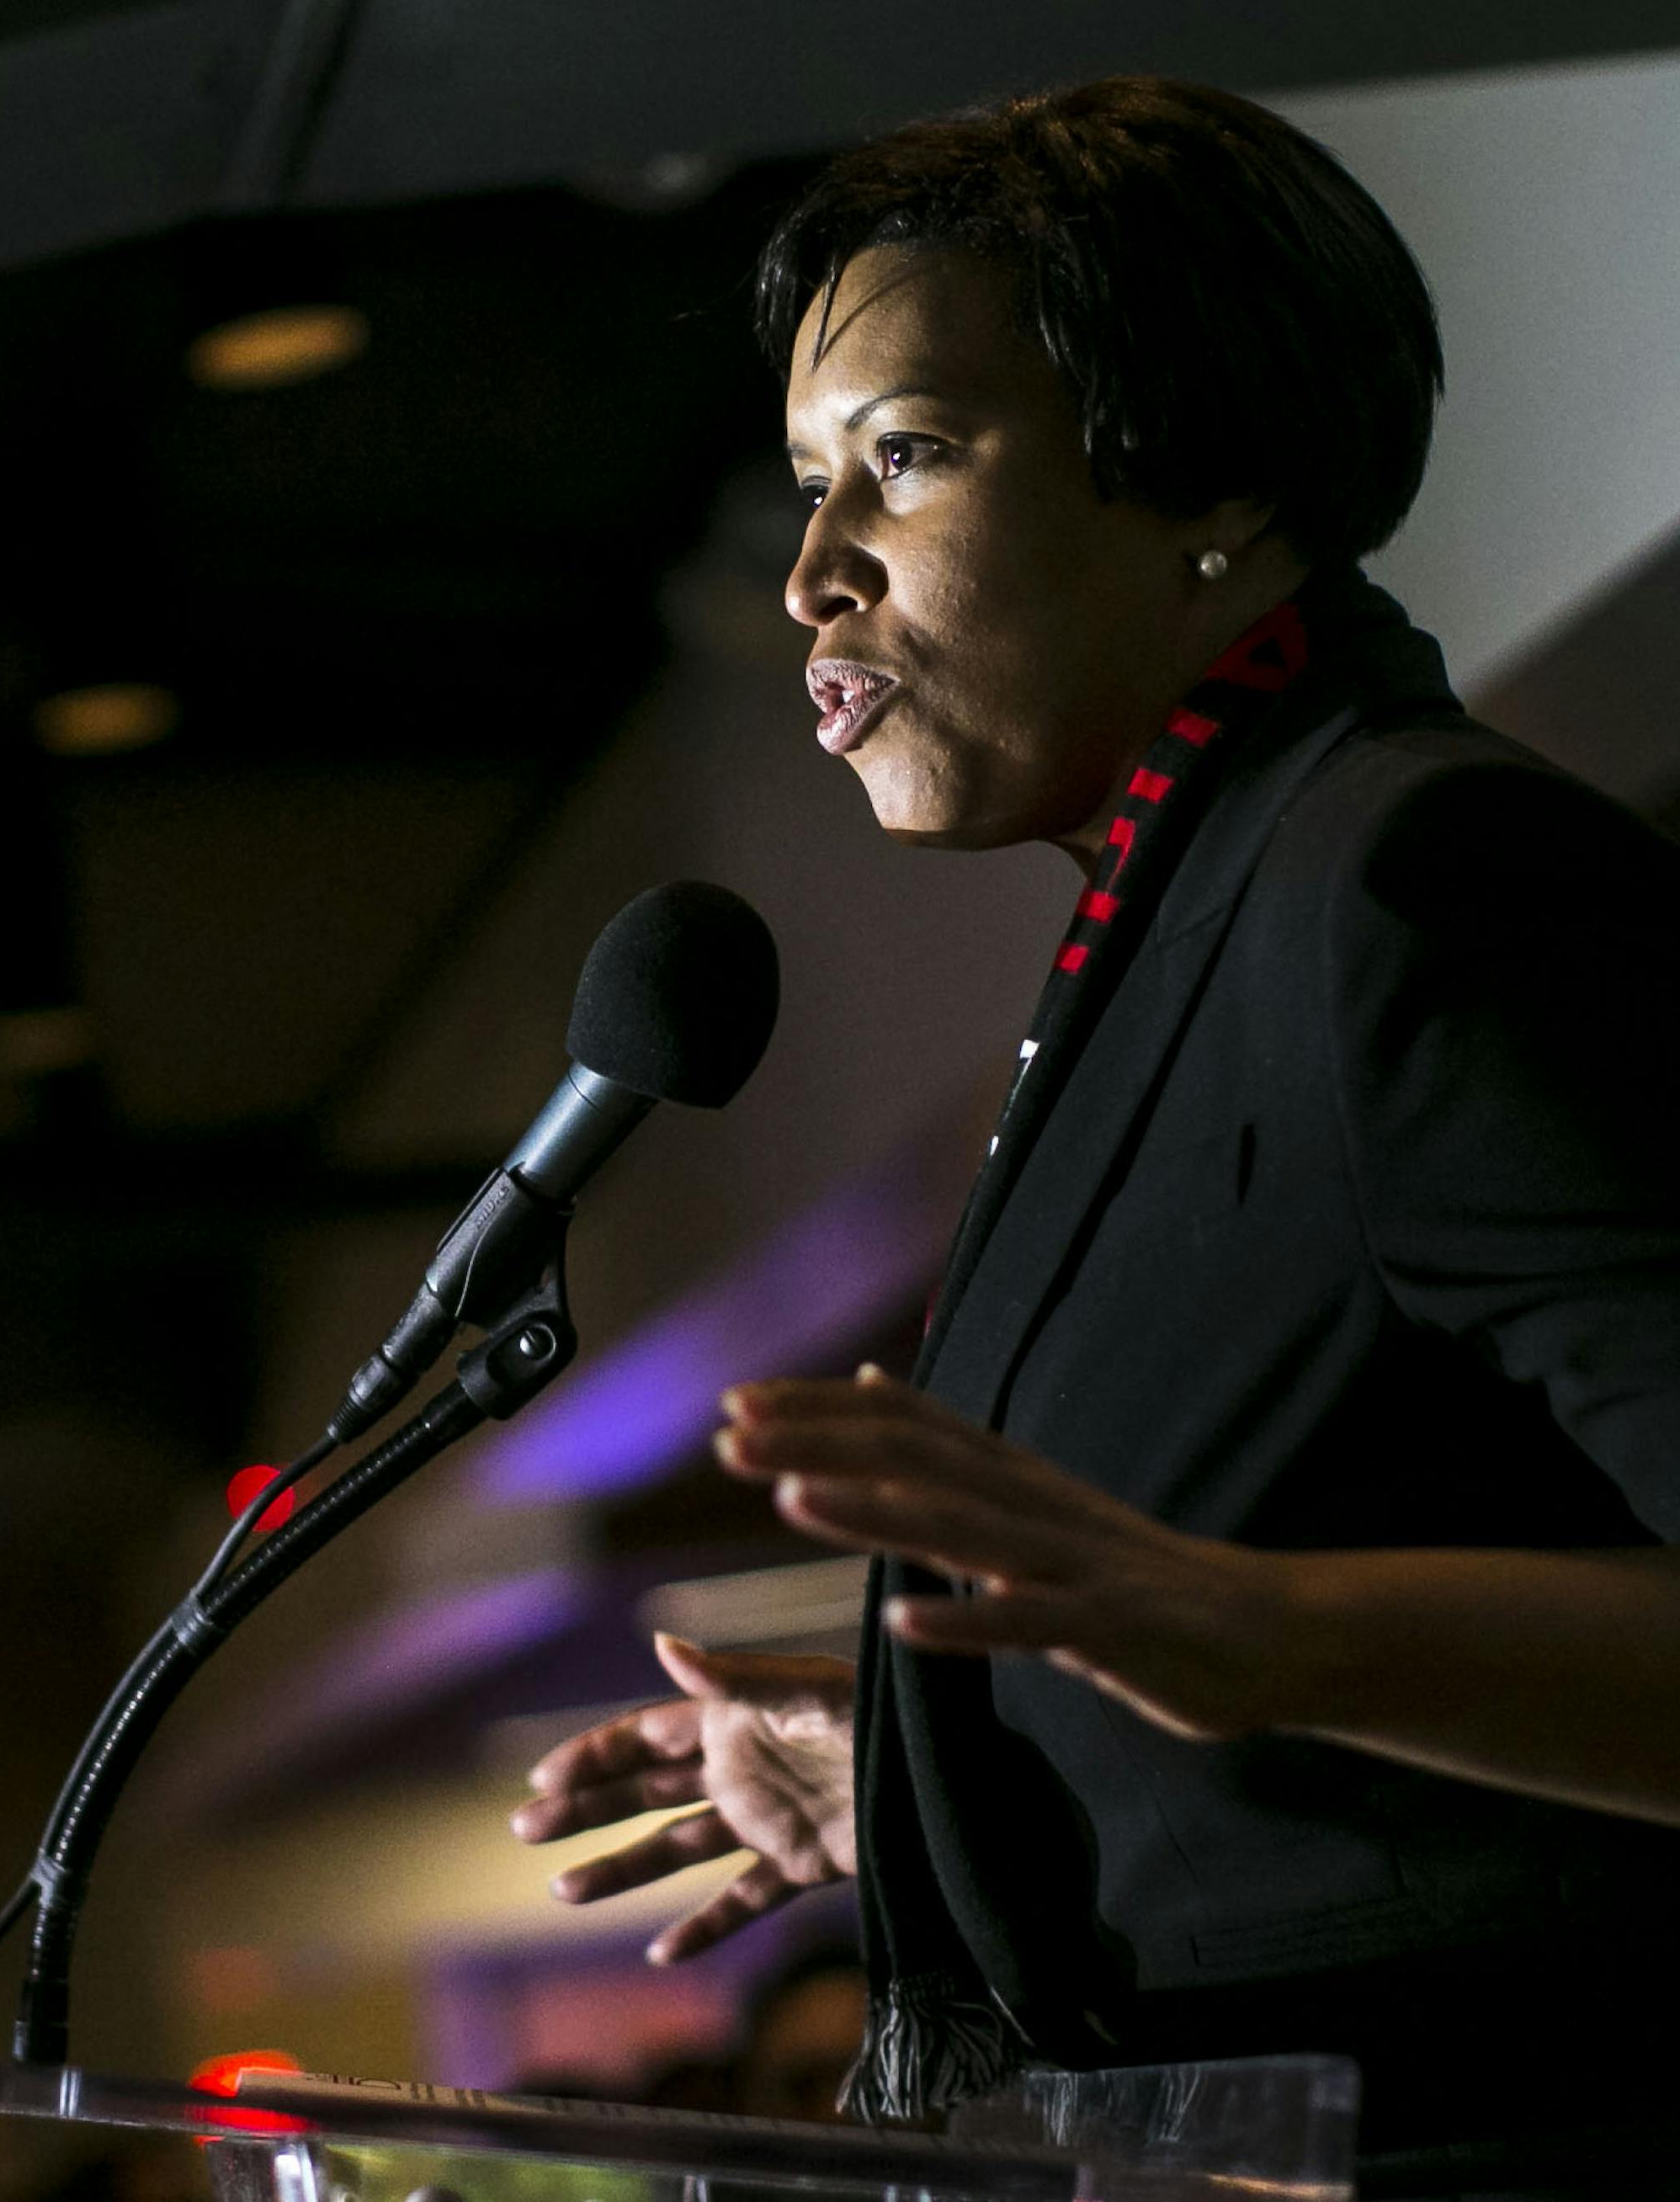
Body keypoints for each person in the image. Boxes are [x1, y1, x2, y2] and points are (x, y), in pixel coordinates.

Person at [513, 79, 1680, 2195]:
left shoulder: (1420, 883)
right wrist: (946, 1772)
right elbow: (1301, 1691)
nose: (810, 577)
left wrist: (1267, 1629)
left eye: (907, 458)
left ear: (1208, 482)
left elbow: (1270, 1623)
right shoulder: (1177, 930)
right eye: (804, 485)